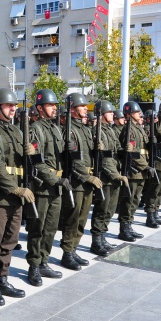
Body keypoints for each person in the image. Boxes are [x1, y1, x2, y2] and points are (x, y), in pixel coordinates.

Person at [0, 88, 31, 305]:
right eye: (8, 105)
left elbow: (23, 165)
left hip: (16, 196)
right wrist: (14, 189)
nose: (13, 109)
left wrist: (31, 154)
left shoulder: (17, 132)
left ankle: (3, 277)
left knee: (10, 241)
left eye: (14, 106)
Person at [26, 89, 69, 285]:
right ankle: (34, 265)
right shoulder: (35, 129)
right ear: (40, 108)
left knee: (51, 227)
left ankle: (44, 261)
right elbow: (36, 162)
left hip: (56, 186)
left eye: (54, 105)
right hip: (43, 186)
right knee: (38, 228)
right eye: (50, 105)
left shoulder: (56, 129)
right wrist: (55, 179)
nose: (54, 108)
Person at [59, 93, 103, 270]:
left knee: (82, 218)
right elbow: (74, 160)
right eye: (82, 106)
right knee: (73, 218)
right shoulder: (69, 130)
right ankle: (67, 253)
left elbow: (88, 156)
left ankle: (74, 248)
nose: (86, 108)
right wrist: (87, 177)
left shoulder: (84, 129)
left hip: (87, 181)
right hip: (76, 182)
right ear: (73, 109)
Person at [89, 100, 127, 256]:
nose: (113, 114)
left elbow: (116, 150)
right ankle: (96, 241)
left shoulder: (110, 131)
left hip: (114, 176)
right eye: (110, 112)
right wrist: (116, 175)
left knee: (110, 209)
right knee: (102, 209)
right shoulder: (97, 131)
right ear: (102, 114)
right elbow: (104, 159)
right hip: (105, 177)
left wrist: (125, 150)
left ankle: (103, 236)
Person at [117, 102, 152, 241]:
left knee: (135, 200)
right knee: (128, 200)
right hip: (133, 170)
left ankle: (129, 224)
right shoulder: (129, 130)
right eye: (137, 113)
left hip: (140, 171)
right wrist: (145, 166)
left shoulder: (139, 129)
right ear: (130, 114)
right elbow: (132, 153)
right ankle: (124, 228)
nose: (140, 115)